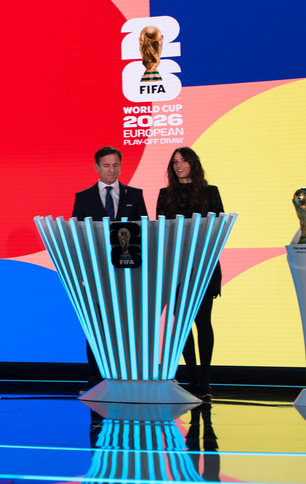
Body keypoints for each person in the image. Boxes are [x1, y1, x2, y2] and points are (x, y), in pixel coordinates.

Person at [72, 146, 148, 390]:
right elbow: (77, 237)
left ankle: (127, 376)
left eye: (115, 165)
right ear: (97, 167)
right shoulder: (83, 198)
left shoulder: (134, 195)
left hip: (129, 272)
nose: (111, 170)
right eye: (106, 165)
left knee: (128, 324)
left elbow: (145, 234)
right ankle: (96, 379)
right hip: (96, 272)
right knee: (97, 325)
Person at [155, 146, 224, 399]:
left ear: (193, 163)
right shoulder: (165, 195)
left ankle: (204, 383)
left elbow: (218, 229)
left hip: (204, 265)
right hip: (175, 268)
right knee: (182, 326)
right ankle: (192, 380)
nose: (179, 165)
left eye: (183, 160)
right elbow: (161, 233)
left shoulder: (210, 192)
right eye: (175, 162)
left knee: (203, 323)